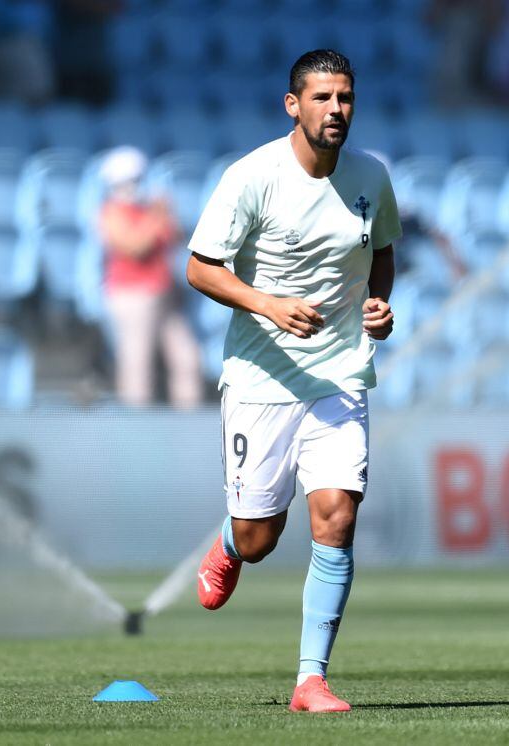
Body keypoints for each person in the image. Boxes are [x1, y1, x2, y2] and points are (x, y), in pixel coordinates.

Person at [186, 50, 401, 712]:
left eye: (346, 98)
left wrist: (379, 307)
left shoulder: (371, 176)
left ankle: (311, 678)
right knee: (260, 537)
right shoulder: (252, 177)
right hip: (261, 379)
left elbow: (382, 250)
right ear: (293, 104)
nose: (336, 110)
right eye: (323, 98)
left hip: (338, 375)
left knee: (337, 515)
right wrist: (268, 303)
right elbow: (199, 267)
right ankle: (228, 543)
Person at [98, 146, 202, 409]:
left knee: (187, 359)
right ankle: (136, 429)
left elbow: (177, 239)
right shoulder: (110, 212)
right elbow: (134, 246)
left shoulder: (150, 210)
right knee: (137, 366)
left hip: (164, 294)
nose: (136, 186)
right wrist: (157, 216)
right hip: (132, 297)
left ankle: (188, 425)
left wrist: (167, 214)